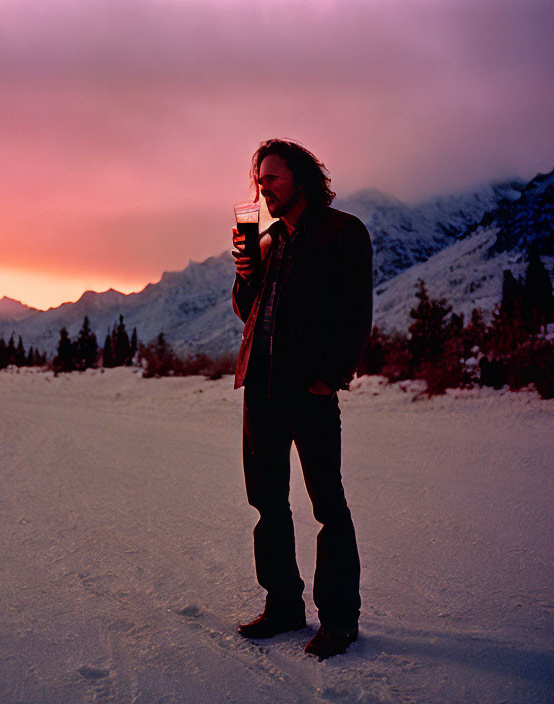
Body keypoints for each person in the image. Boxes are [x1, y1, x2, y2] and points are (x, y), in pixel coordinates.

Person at [231, 139, 372, 660]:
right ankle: (284, 605)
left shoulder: (343, 232)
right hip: (262, 386)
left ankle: (339, 620)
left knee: (327, 505)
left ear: (302, 179)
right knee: (267, 502)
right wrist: (245, 276)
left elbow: (357, 313)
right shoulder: (267, 241)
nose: (263, 188)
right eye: (259, 181)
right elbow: (249, 313)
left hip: (308, 389)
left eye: (272, 178)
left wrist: (329, 377)